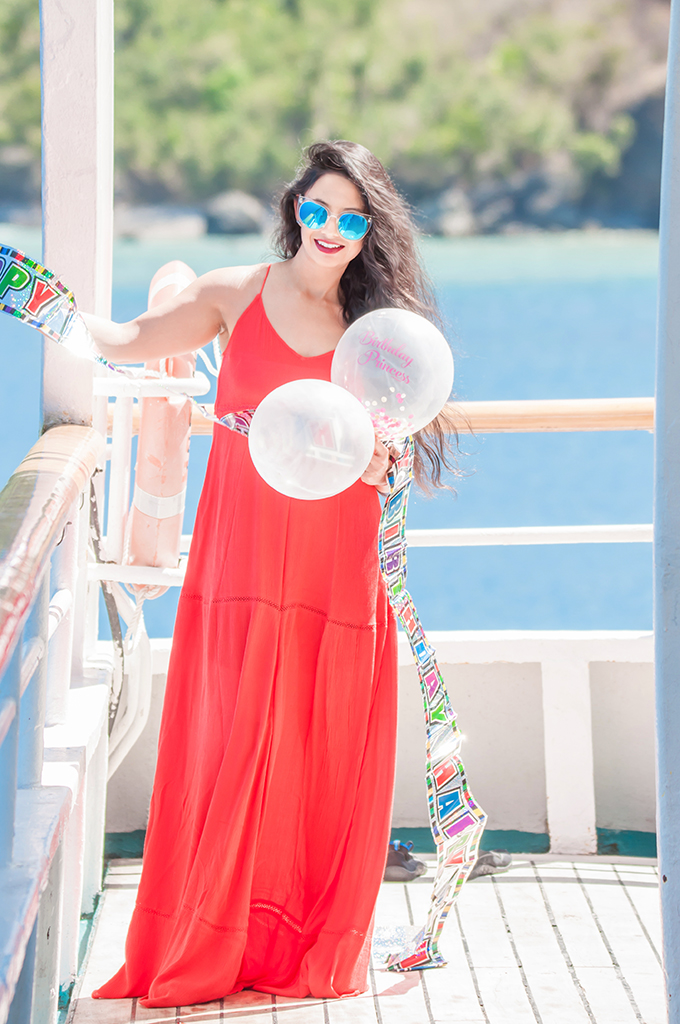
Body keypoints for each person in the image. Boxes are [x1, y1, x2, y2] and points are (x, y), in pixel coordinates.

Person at [85, 140, 456, 1007]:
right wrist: (38, 300)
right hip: (242, 558)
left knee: (319, 750)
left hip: (337, 563)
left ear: (368, 231)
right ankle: (207, 936)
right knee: (227, 742)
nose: (330, 230)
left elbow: (387, 442)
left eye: (350, 219)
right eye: (317, 210)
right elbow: (127, 341)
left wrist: (383, 461)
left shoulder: (374, 328)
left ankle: (300, 947)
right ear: (295, 209)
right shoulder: (234, 293)